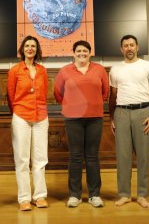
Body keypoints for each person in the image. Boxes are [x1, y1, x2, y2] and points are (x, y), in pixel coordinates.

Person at [109, 34, 149, 208]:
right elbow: (113, 96)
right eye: (125, 45)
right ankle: (124, 194)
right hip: (122, 113)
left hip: (143, 113)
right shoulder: (115, 69)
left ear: (137, 47)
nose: (129, 48)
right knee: (123, 156)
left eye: (132, 45)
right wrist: (111, 118)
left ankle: (142, 195)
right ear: (121, 49)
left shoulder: (148, 66)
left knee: (143, 156)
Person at [54, 40, 109, 208]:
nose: (82, 53)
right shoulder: (64, 71)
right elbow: (58, 93)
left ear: (90, 53)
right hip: (73, 118)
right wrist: (73, 105)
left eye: (85, 50)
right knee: (75, 156)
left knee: (92, 156)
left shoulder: (99, 69)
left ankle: (94, 194)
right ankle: (75, 195)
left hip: (95, 118)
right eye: (78, 51)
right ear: (73, 53)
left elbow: (105, 92)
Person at [7, 35, 49, 211]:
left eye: (33, 46)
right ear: (22, 49)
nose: (30, 48)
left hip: (41, 117)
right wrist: (18, 112)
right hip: (21, 116)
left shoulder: (42, 70)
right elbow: (10, 95)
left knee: (40, 159)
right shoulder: (15, 70)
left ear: (37, 50)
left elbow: (45, 92)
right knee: (22, 159)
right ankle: (24, 198)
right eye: (27, 46)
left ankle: (39, 196)